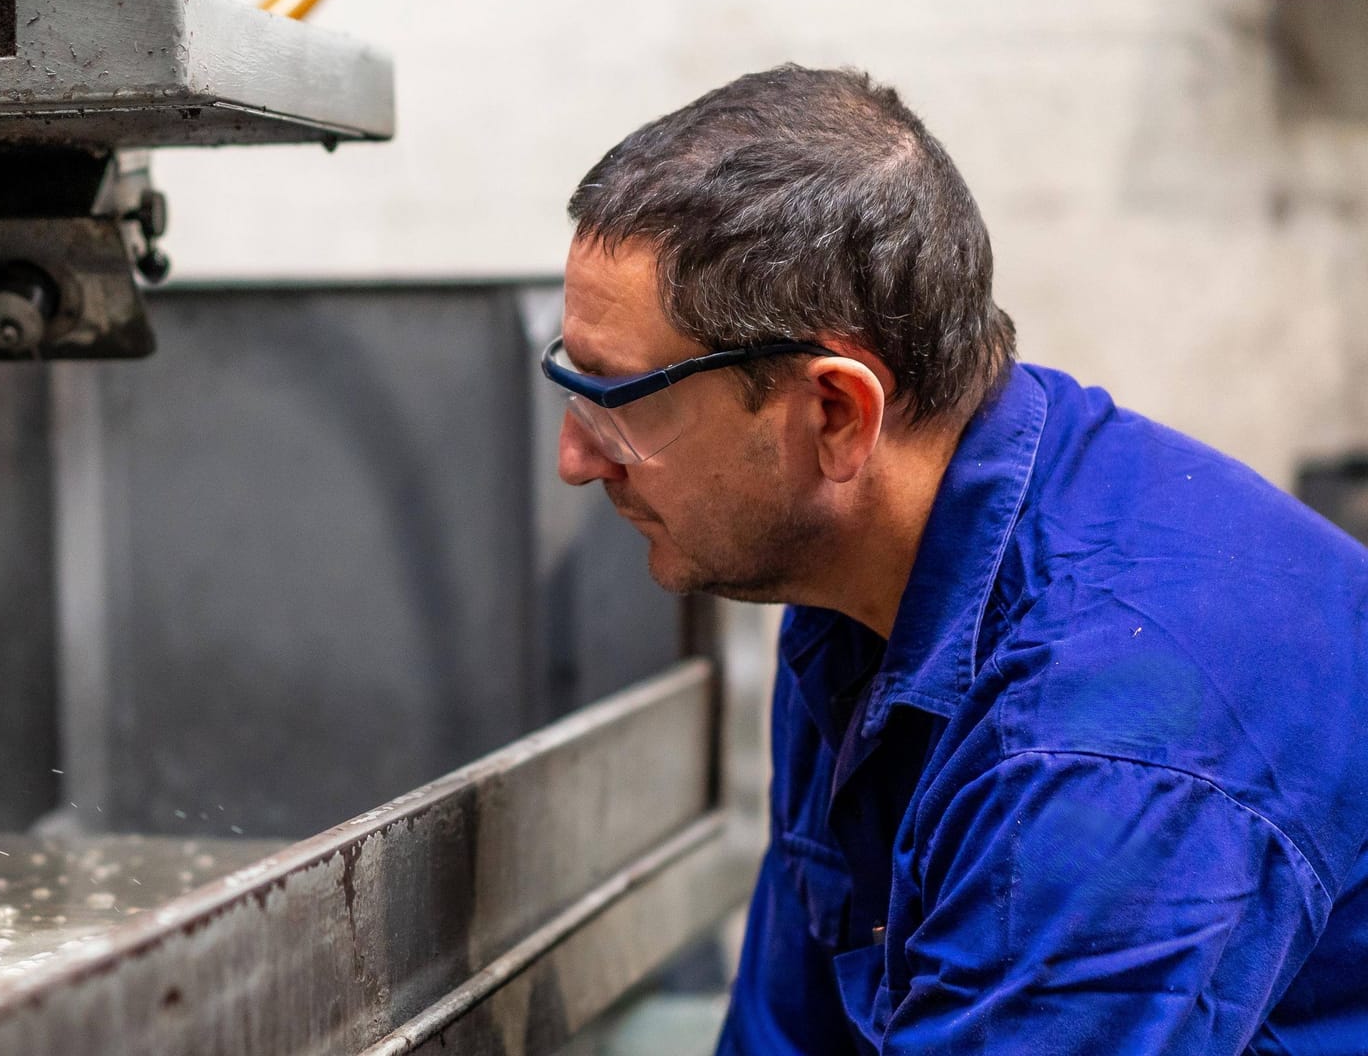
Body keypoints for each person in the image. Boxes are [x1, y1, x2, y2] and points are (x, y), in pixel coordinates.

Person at [547, 65, 1368, 1054]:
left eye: (621, 400)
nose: (575, 457)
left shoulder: (1097, 760)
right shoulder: (858, 595)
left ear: (837, 414)